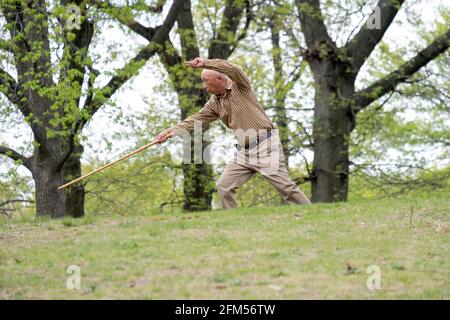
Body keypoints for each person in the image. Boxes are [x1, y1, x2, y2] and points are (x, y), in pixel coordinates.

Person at [156, 57, 311, 209]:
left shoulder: (241, 86)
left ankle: (311, 214)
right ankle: (235, 222)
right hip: (244, 152)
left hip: (266, 146)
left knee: (286, 189)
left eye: (206, 81)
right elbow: (196, 119)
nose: (204, 86)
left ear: (220, 79)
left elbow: (233, 70)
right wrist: (171, 132)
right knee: (224, 186)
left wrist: (206, 63)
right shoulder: (214, 103)